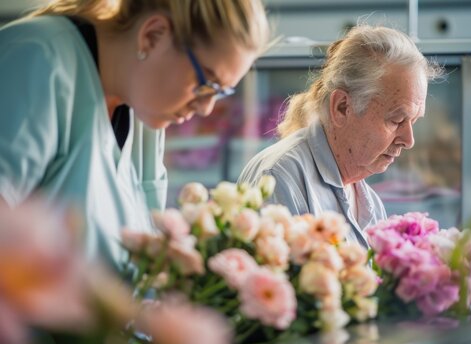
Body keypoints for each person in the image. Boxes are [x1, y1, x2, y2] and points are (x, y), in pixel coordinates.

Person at [0, 0, 270, 270]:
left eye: (221, 92)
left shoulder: (144, 112)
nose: (205, 108)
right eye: (205, 84)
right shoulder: (36, 58)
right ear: (152, 36)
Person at [238, 24, 441, 247]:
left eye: (413, 121)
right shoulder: (279, 177)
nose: (409, 140)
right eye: (396, 120)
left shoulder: (368, 201)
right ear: (342, 107)